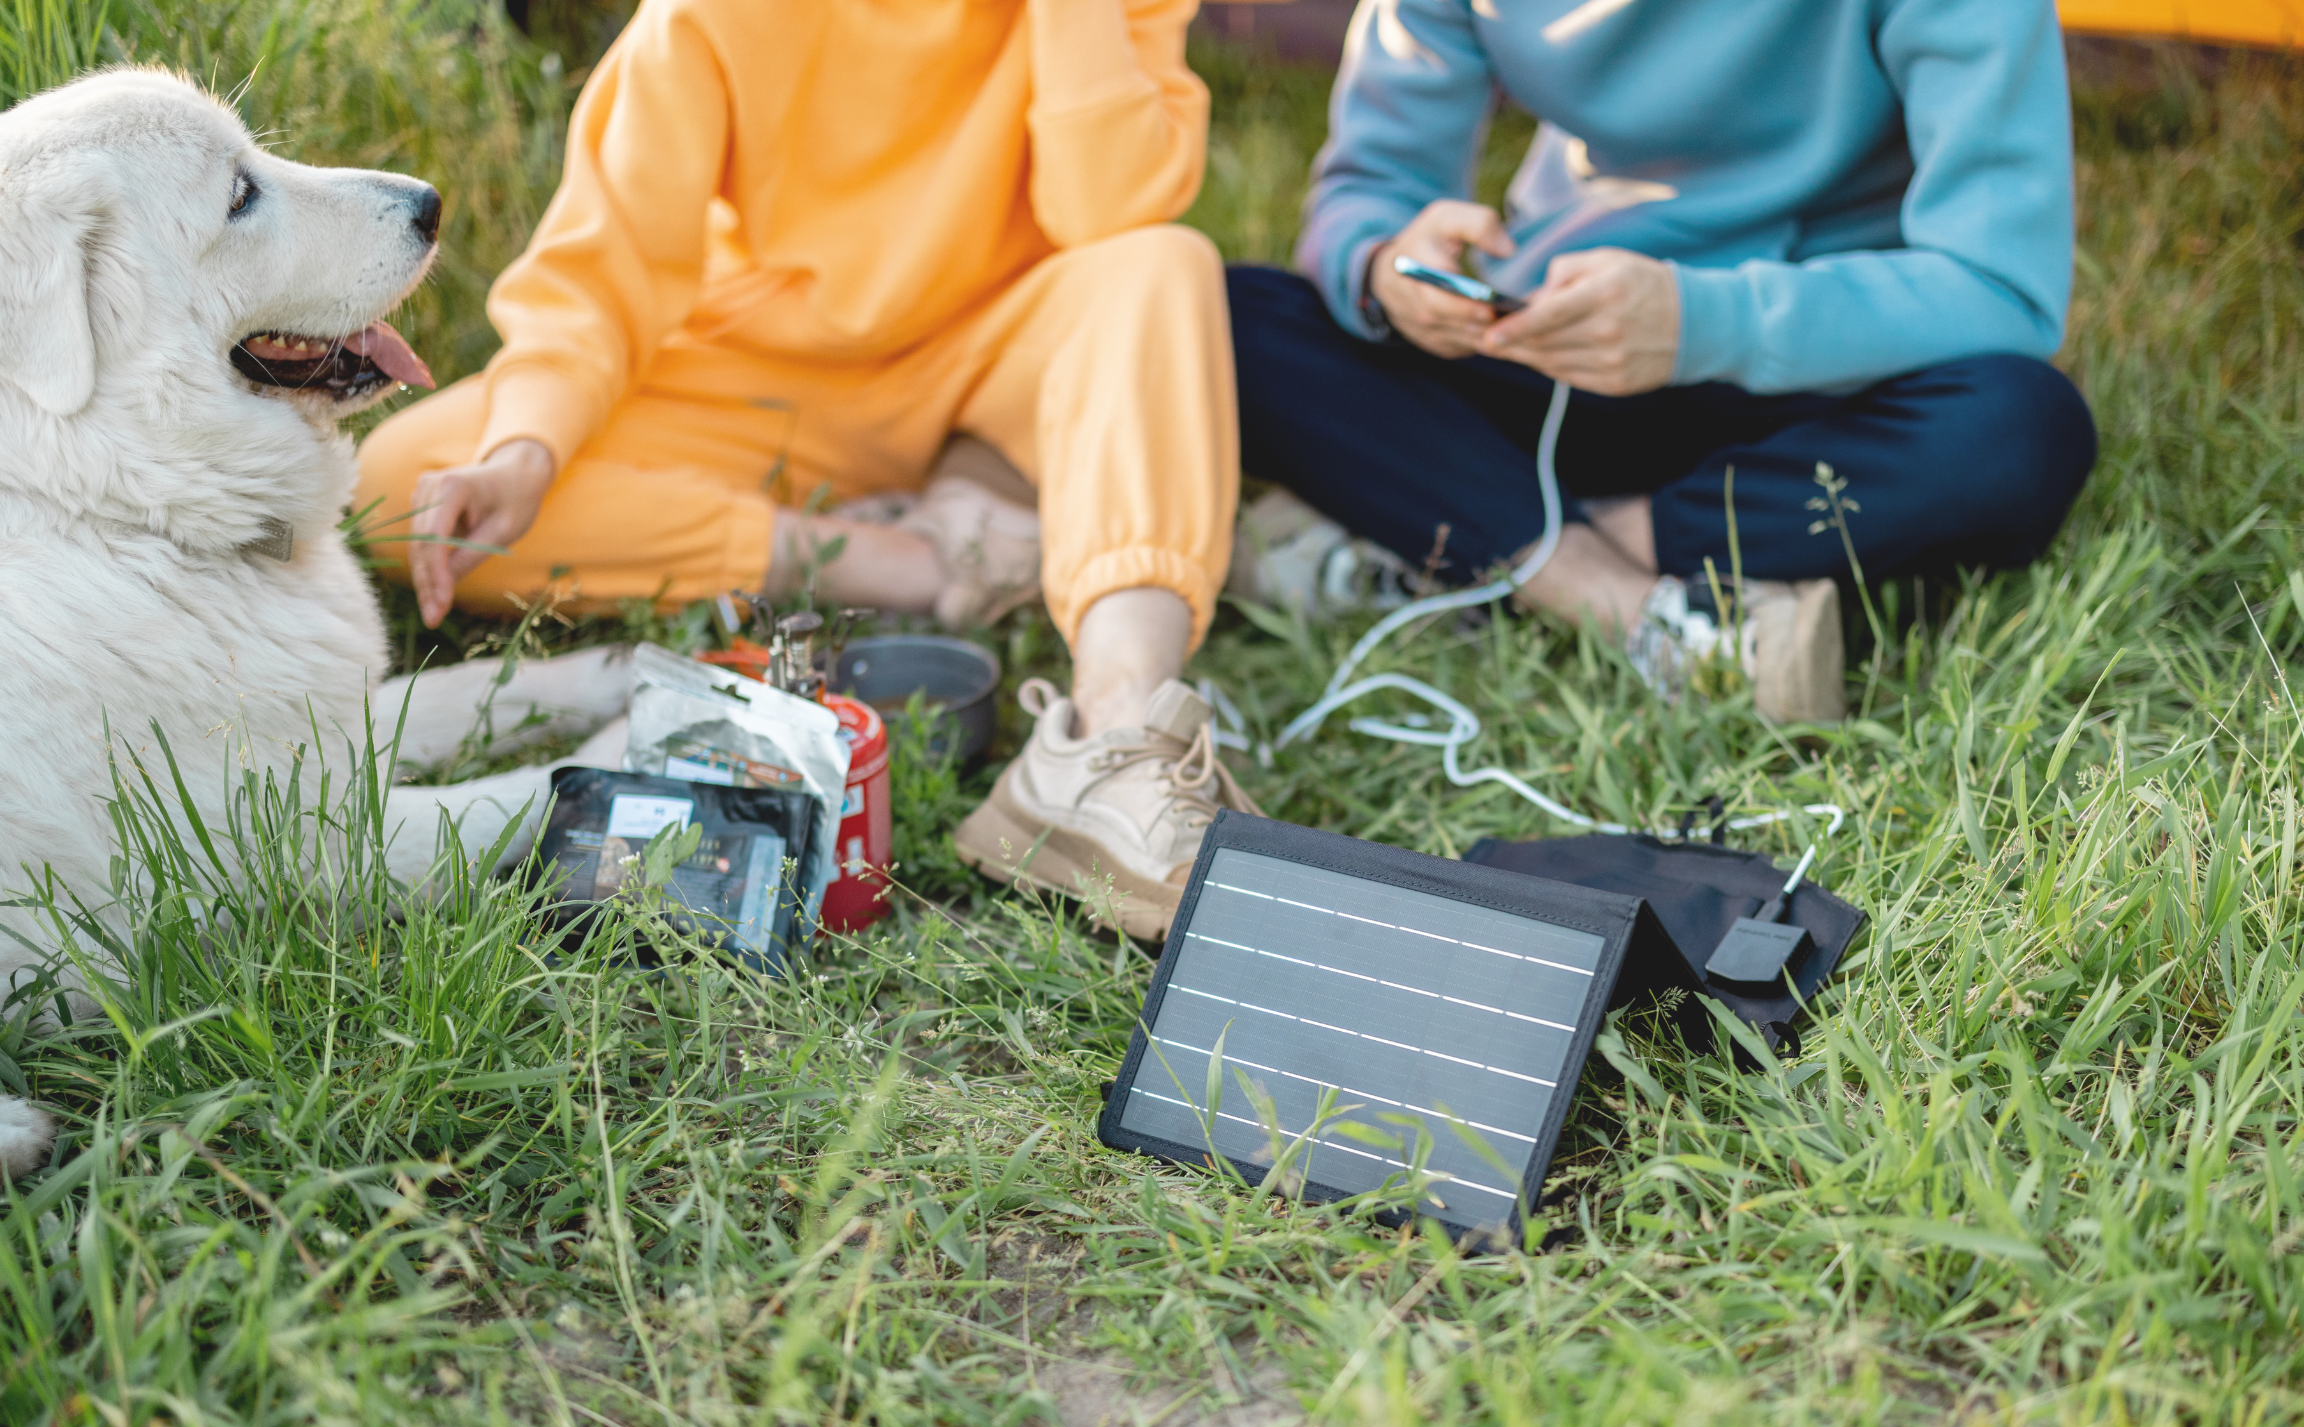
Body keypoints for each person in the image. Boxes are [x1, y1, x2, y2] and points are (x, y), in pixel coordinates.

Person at [358, 0, 1254, 938]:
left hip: (1001, 353)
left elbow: (1112, 210)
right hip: (764, 383)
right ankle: (911, 551)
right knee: (401, 483)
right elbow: (600, 275)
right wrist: (523, 450)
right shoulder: (705, 19)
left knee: (1164, 264)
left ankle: (1110, 733)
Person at [1227, 0, 2100, 723]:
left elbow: (2000, 288)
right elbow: (1367, 192)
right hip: (1551, 348)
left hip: (1817, 383)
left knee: (2021, 430)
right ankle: (1614, 601)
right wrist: (1390, 268)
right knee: (1226, 317)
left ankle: (1457, 541)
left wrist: (1699, 322)